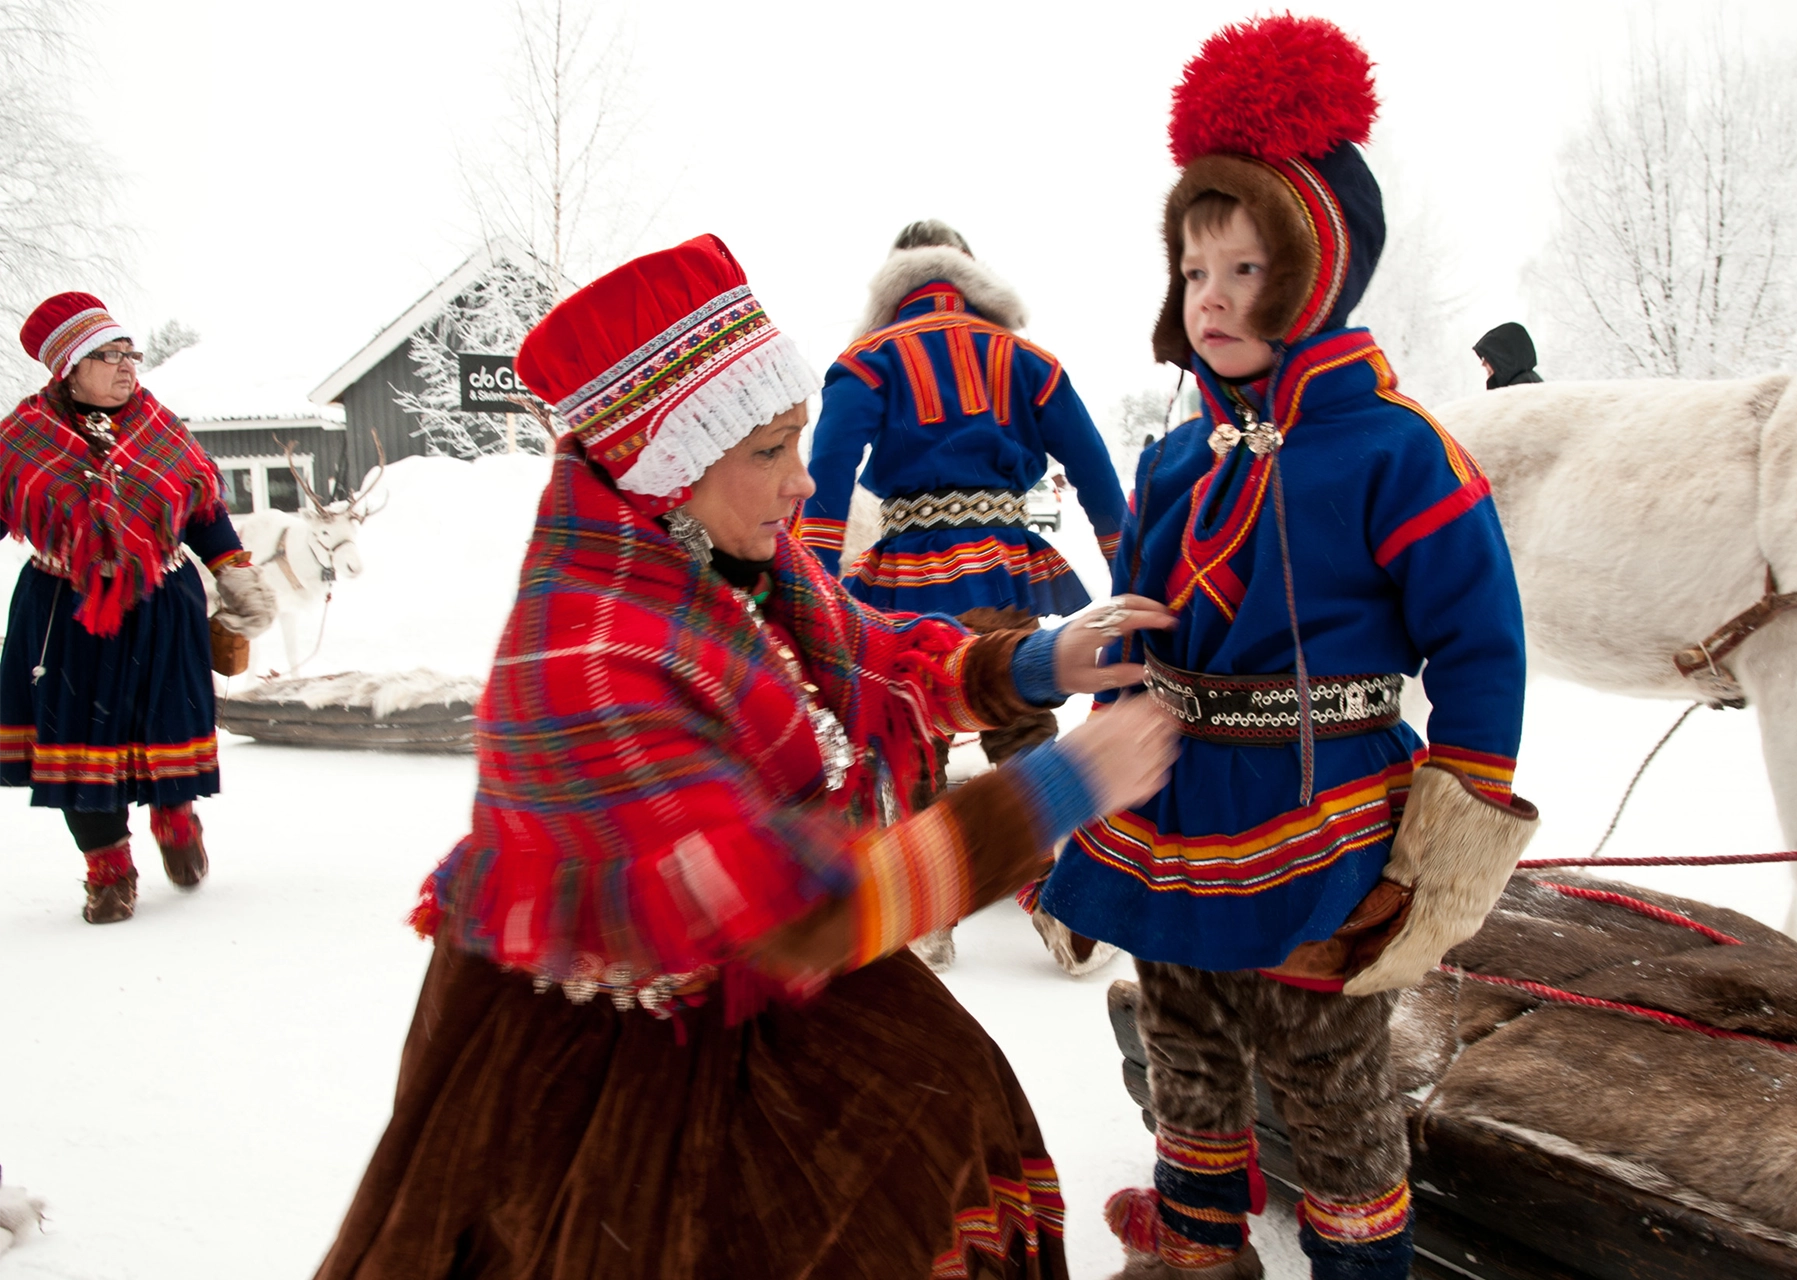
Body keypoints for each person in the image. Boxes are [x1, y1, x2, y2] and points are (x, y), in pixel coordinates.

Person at [312, 234, 1181, 1280]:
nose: (803, 482)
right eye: (769, 450)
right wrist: (1066, 783)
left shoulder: (722, 558)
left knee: (941, 1119)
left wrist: (1043, 660)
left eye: (798, 441)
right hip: (610, 1061)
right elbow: (797, 910)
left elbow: (875, 661)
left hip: (758, 968)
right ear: (669, 458)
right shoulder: (594, 660)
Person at [1035, 18, 1540, 1279]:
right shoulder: (1171, 449)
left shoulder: (1397, 452)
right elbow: (1142, 607)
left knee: (1327, 1078)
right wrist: (1110, 666)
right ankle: (1197, 1251)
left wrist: (1445, 836)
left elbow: (1480, 644)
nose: (1212, 297)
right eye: (1195, 269)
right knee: (1188, 1049)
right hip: (1175, 804)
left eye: (1246, 269)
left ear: (1316, 274)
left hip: (1324, 815)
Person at [799, 219, 1132, 974]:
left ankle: (925, 916)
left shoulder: (869, 359)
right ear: (968, 274)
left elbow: (828, 472)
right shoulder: (1025, 360)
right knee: (1018, 713)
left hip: (908, 573)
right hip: (1004, 566)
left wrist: (811, 583)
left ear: (896, 279)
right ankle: (1057, 903)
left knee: (915, 720)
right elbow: (1093, 468)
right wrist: (1129, 568)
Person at [0, 292, 276, 923]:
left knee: (164, 724)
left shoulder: (161, 429)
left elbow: (203, 510)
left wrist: (234, 573)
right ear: (68, 366)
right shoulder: (22, 439)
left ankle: (175, 819)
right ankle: (109, 870)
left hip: (162, 606)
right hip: (64, 616)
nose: (127, 367)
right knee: (78, 739)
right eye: (108, 355)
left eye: (131, 354)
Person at [1472, 321, 1542, 388]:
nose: (1483, 364)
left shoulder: (1519, 396)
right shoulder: (1531, 392)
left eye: (1488, 358)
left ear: (1505, 359)